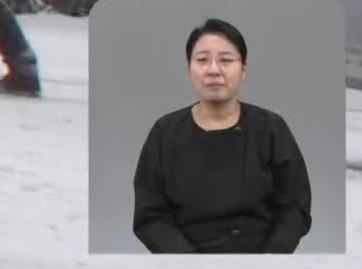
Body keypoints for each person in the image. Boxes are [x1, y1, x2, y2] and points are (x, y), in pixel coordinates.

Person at [130, 17, 312, 253]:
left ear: (243, 70)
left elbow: (296, 206)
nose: (213, 70)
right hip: (185, 263)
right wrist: (186, 261)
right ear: (189, 69)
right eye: (202, 60)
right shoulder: (165, 132)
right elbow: (149, 215)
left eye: (226, 60)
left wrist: (271, 258)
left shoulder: (270, 128)